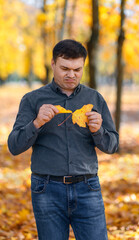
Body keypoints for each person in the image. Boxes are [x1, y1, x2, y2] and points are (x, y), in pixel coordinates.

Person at [8, 39, 119, 240]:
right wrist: (36, 123)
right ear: (53, 64)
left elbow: (112, 146)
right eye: (65, 68)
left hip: (88, 188)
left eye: (77, 69)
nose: (71, 74)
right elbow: (14, 146)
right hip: (46, 189)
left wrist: (98, 130)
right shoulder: (32, 100)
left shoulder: (95, 99)